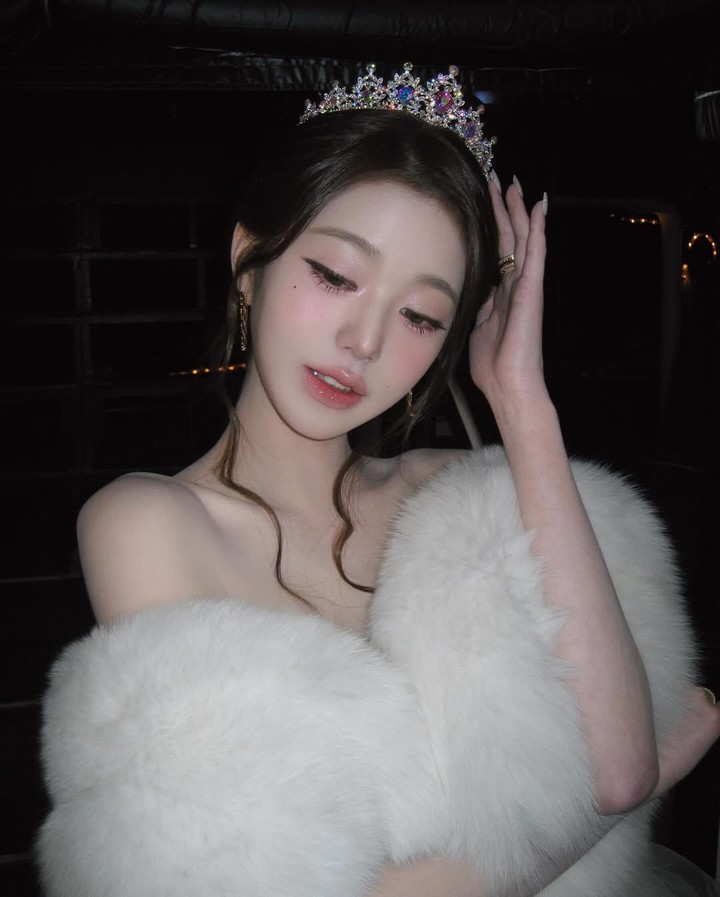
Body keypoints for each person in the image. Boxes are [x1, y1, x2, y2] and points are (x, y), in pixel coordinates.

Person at [39, 64, 720, 897]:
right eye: (335, 275)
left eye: (420, 315)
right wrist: (607, 807)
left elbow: (618, 766)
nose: (364, 341)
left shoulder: (465, 495)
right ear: (250, 257)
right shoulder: (146, 523)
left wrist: (521, 401)